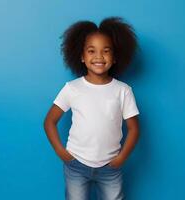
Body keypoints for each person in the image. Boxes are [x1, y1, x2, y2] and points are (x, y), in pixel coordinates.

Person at [43, 17, 140, 200]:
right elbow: (49, 121)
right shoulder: (72, 88)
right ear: (81, 56)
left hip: (110, 168)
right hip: (76, 165)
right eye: (91, 51)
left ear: (115, 57)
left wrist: (122, 158)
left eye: (106, 51)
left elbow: (134, 128)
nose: (98, 57)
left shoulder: (123, 91)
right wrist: (61, 151)